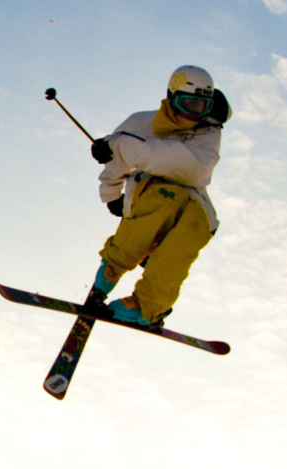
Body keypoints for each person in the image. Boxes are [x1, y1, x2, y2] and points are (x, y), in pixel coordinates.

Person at [89, 65, 230, 328]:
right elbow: (118, 160)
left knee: (196, 227)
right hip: (152, 190)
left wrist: (119, 144)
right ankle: (111, 270)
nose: (193, 113)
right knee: (164, 200)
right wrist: (111, 194)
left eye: (200, 106)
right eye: (187, 103)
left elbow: (189, 168)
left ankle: (148, 306)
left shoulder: (209, 131)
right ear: (171, 96)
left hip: (193, 197)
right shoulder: (142, 123)